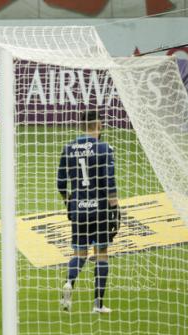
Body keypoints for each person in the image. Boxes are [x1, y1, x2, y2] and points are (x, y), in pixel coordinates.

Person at [57, 110, 120, 313]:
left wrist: (69, 202)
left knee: (79, 252)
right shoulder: (104, 148)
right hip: (100, 207)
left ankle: (69, 282)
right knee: (101, 253)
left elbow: (60, 183)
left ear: (81, 127)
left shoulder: (68, 148)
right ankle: (98, 305)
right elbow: (108, 179)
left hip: (78, 207)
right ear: (99, 126)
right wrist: (114, 206)